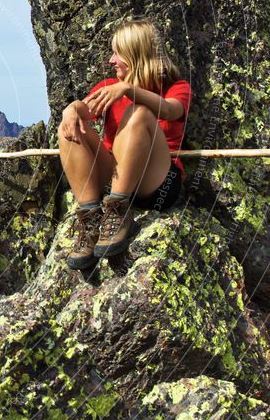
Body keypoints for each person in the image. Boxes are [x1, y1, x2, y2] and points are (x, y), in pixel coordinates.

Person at [58, 17, 192, 269]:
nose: (111, 60)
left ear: (136, 55)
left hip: (157, 185)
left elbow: (171, 111)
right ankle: (91, 219)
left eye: (117, 53)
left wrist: (129, 91)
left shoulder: (177, 87)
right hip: (115, 176)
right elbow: (84, 109)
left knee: (138, 113)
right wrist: (71, 110)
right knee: (69, 127)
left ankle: (119, 212)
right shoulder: (109, 87)